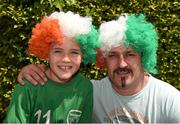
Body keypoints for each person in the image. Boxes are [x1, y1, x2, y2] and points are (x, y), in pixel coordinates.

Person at [16, 14, 180, 123]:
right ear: (103, 59)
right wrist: (35, 70)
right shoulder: (88, 91)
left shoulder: (169, 100)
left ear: (143, 58)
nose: (122, 64)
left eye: (130, 54)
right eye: (113, 55)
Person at [4, 11, 100, 123]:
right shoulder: (28, 86)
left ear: (83, 55)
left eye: (74, 52)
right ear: (46, 53)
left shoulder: (85, 88)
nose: (66, 59)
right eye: (58, 51)